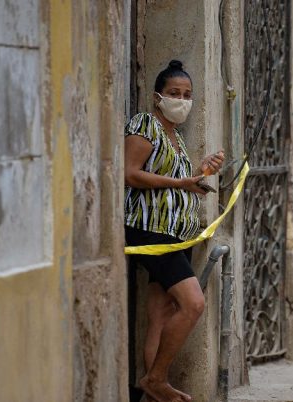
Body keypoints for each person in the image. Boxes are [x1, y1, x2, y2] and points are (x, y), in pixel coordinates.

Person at [124, 60, 225, 402]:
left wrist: (200, 173)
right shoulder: (145, 125)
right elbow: (130, 173)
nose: (181, 100)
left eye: (187, 95)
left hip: (176, 234)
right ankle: (156, 379)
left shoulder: (177, 139)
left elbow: (176, 185)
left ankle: (151, 393)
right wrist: (182, 181)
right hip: (152, 231)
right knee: (193, 303)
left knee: (161, 313)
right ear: (157, 97)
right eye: (174, 94)